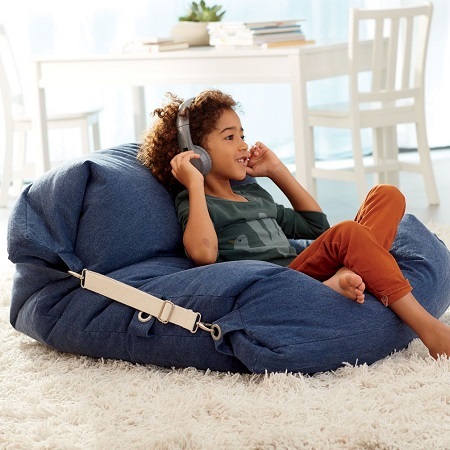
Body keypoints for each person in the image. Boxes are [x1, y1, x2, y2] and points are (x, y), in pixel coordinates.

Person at [139, 89, 450, 360]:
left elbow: (316, 228)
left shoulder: (254, 196)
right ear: (196, 153)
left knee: (386, 194)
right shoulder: (195, 203)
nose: (244, 146)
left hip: (307, 270)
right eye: (230, 137)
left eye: (243, 135)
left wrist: (277, 171)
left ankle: (345, 276)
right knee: (349, 234)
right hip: (282, 285)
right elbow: (203, 254)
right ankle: (429, 329)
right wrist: (194, 184)